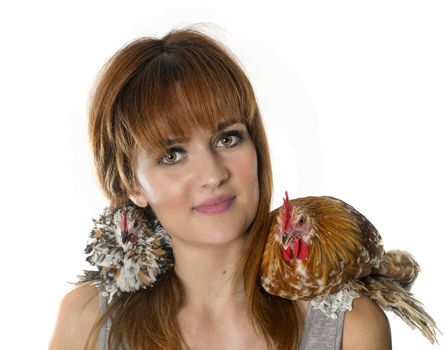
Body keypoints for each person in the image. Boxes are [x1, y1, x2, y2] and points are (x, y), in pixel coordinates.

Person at [49, 27, 391, 350]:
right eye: (173, 155)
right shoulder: (89, 320)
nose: (213, 174)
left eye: (227, 138)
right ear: (131, 183)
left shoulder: (349, 325)